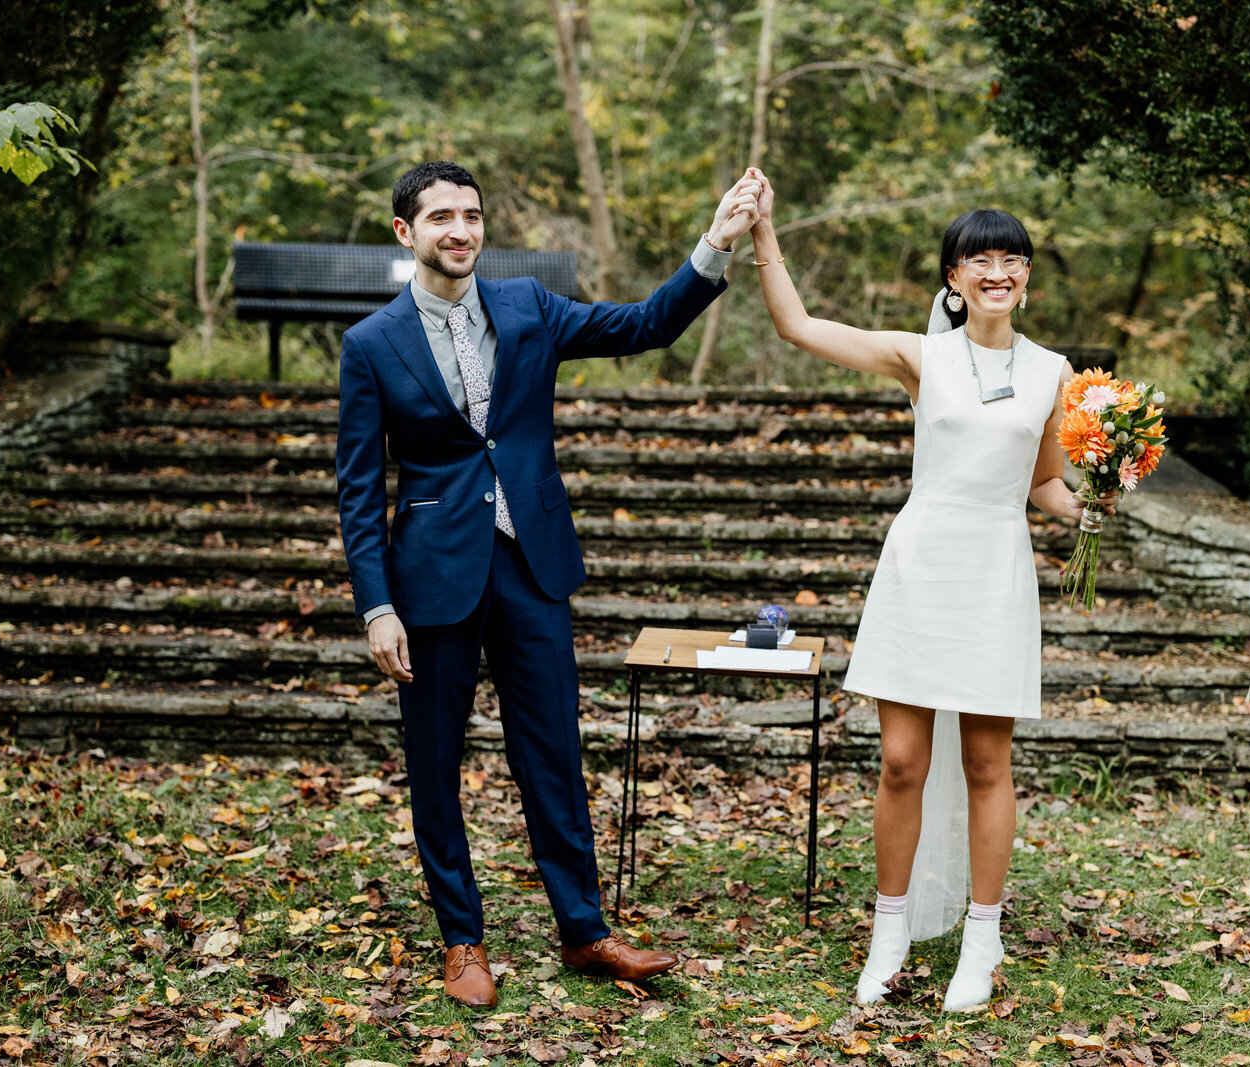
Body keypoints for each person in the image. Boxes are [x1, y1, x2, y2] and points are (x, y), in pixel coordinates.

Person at [335, 160, 760, 1006]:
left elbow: (645, 324)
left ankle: (585, 931)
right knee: (434, 762)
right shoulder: (371, 344)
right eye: (441, 218)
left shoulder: (529, 305)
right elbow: (357, 484)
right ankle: (462, 941)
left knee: (554, 754)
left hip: (532, 565)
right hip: (430, 581)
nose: (460, 230)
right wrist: (377, 604)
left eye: (471, 215)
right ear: (405, 233)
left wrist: (717, 241)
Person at [745, 168, 1115, 1012]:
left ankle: (981, 944)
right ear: (953, 278)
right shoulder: (923, 356)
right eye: (979, 259)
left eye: (1012, 258)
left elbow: (1045, 484)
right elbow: (799, 325)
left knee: (988, 762)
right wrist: (765, 237)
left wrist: (1098, 502)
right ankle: (890, 931)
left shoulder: (1059, 374)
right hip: (921, 564)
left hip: (995, 568)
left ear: (1027, 276)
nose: (997, 271)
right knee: (902, 762)